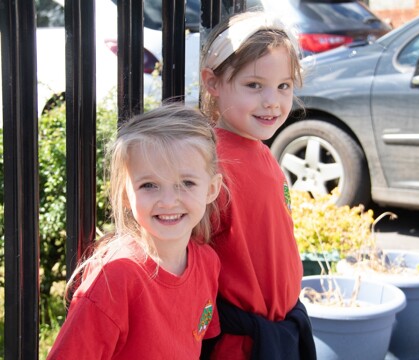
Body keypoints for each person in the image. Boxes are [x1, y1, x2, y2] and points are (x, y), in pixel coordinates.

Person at [47, 103, 224, 359]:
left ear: (211, 189)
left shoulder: (208, 263)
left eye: (186, 183)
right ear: (125, 195)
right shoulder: (115, 276)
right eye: (150, 185)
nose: (168, 200)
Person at [200, 10, 317, 359]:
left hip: (279, 331)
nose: (272, 101)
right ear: (213, 83)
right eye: (254, 85)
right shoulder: (209, 163)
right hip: (242, 344)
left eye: (283, 86)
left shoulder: (258, 148)